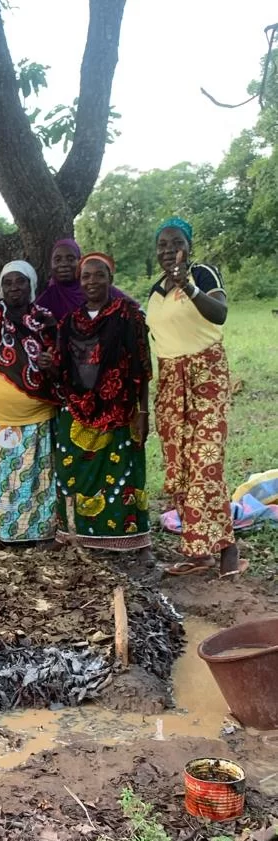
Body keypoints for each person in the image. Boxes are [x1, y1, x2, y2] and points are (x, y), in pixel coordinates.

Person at [147, 217, 244, 577]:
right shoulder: (156, 289)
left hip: (205, 375)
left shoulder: (202, 274)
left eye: (175, 243)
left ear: (188, 246)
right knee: (181, 467)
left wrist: (188, 287)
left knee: (206, 461)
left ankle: (228, 549)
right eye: (162, 244)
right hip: (171, 379)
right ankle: (197, 550)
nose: (168, 249)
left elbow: (219, 314)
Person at [51, 253, 153, 554]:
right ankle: (75, 534)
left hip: (121, 409)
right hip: (78, 408)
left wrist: (143, 412)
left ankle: (131, 538)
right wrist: (49, 364)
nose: (92, 281)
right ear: (79, 282)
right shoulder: (70, 321)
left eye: (99, 275)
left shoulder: (128, 315)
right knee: (72, 471)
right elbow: (63, 367)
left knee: (125, 473)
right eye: (86, 276)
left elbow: (142, 367)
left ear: (110, 279)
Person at [0, 261, 58, 545]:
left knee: (37, 478)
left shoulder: (46, 319)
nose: (14, 287)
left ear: (31, 285)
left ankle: (40, 533)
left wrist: (50, 363)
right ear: (1, 287)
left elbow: (59, 365)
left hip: (38, 414)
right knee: (1, 476)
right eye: (8, 282)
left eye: (20, 281)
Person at [36, 237, 126, 321]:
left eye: (71, 259)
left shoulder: (99, 288)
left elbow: (135, 313)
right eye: (58, 260)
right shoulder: (46, 300)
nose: (63, 264)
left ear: (80, 262)